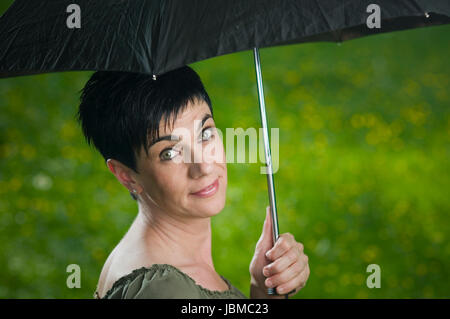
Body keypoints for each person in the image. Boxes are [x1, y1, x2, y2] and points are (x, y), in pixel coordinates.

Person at [76, 66, 310, 299]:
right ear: (126, 175)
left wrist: (265, 291)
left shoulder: (157, 269)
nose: (204, 166)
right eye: (169, 152)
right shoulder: (165, 291)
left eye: (205, 133)